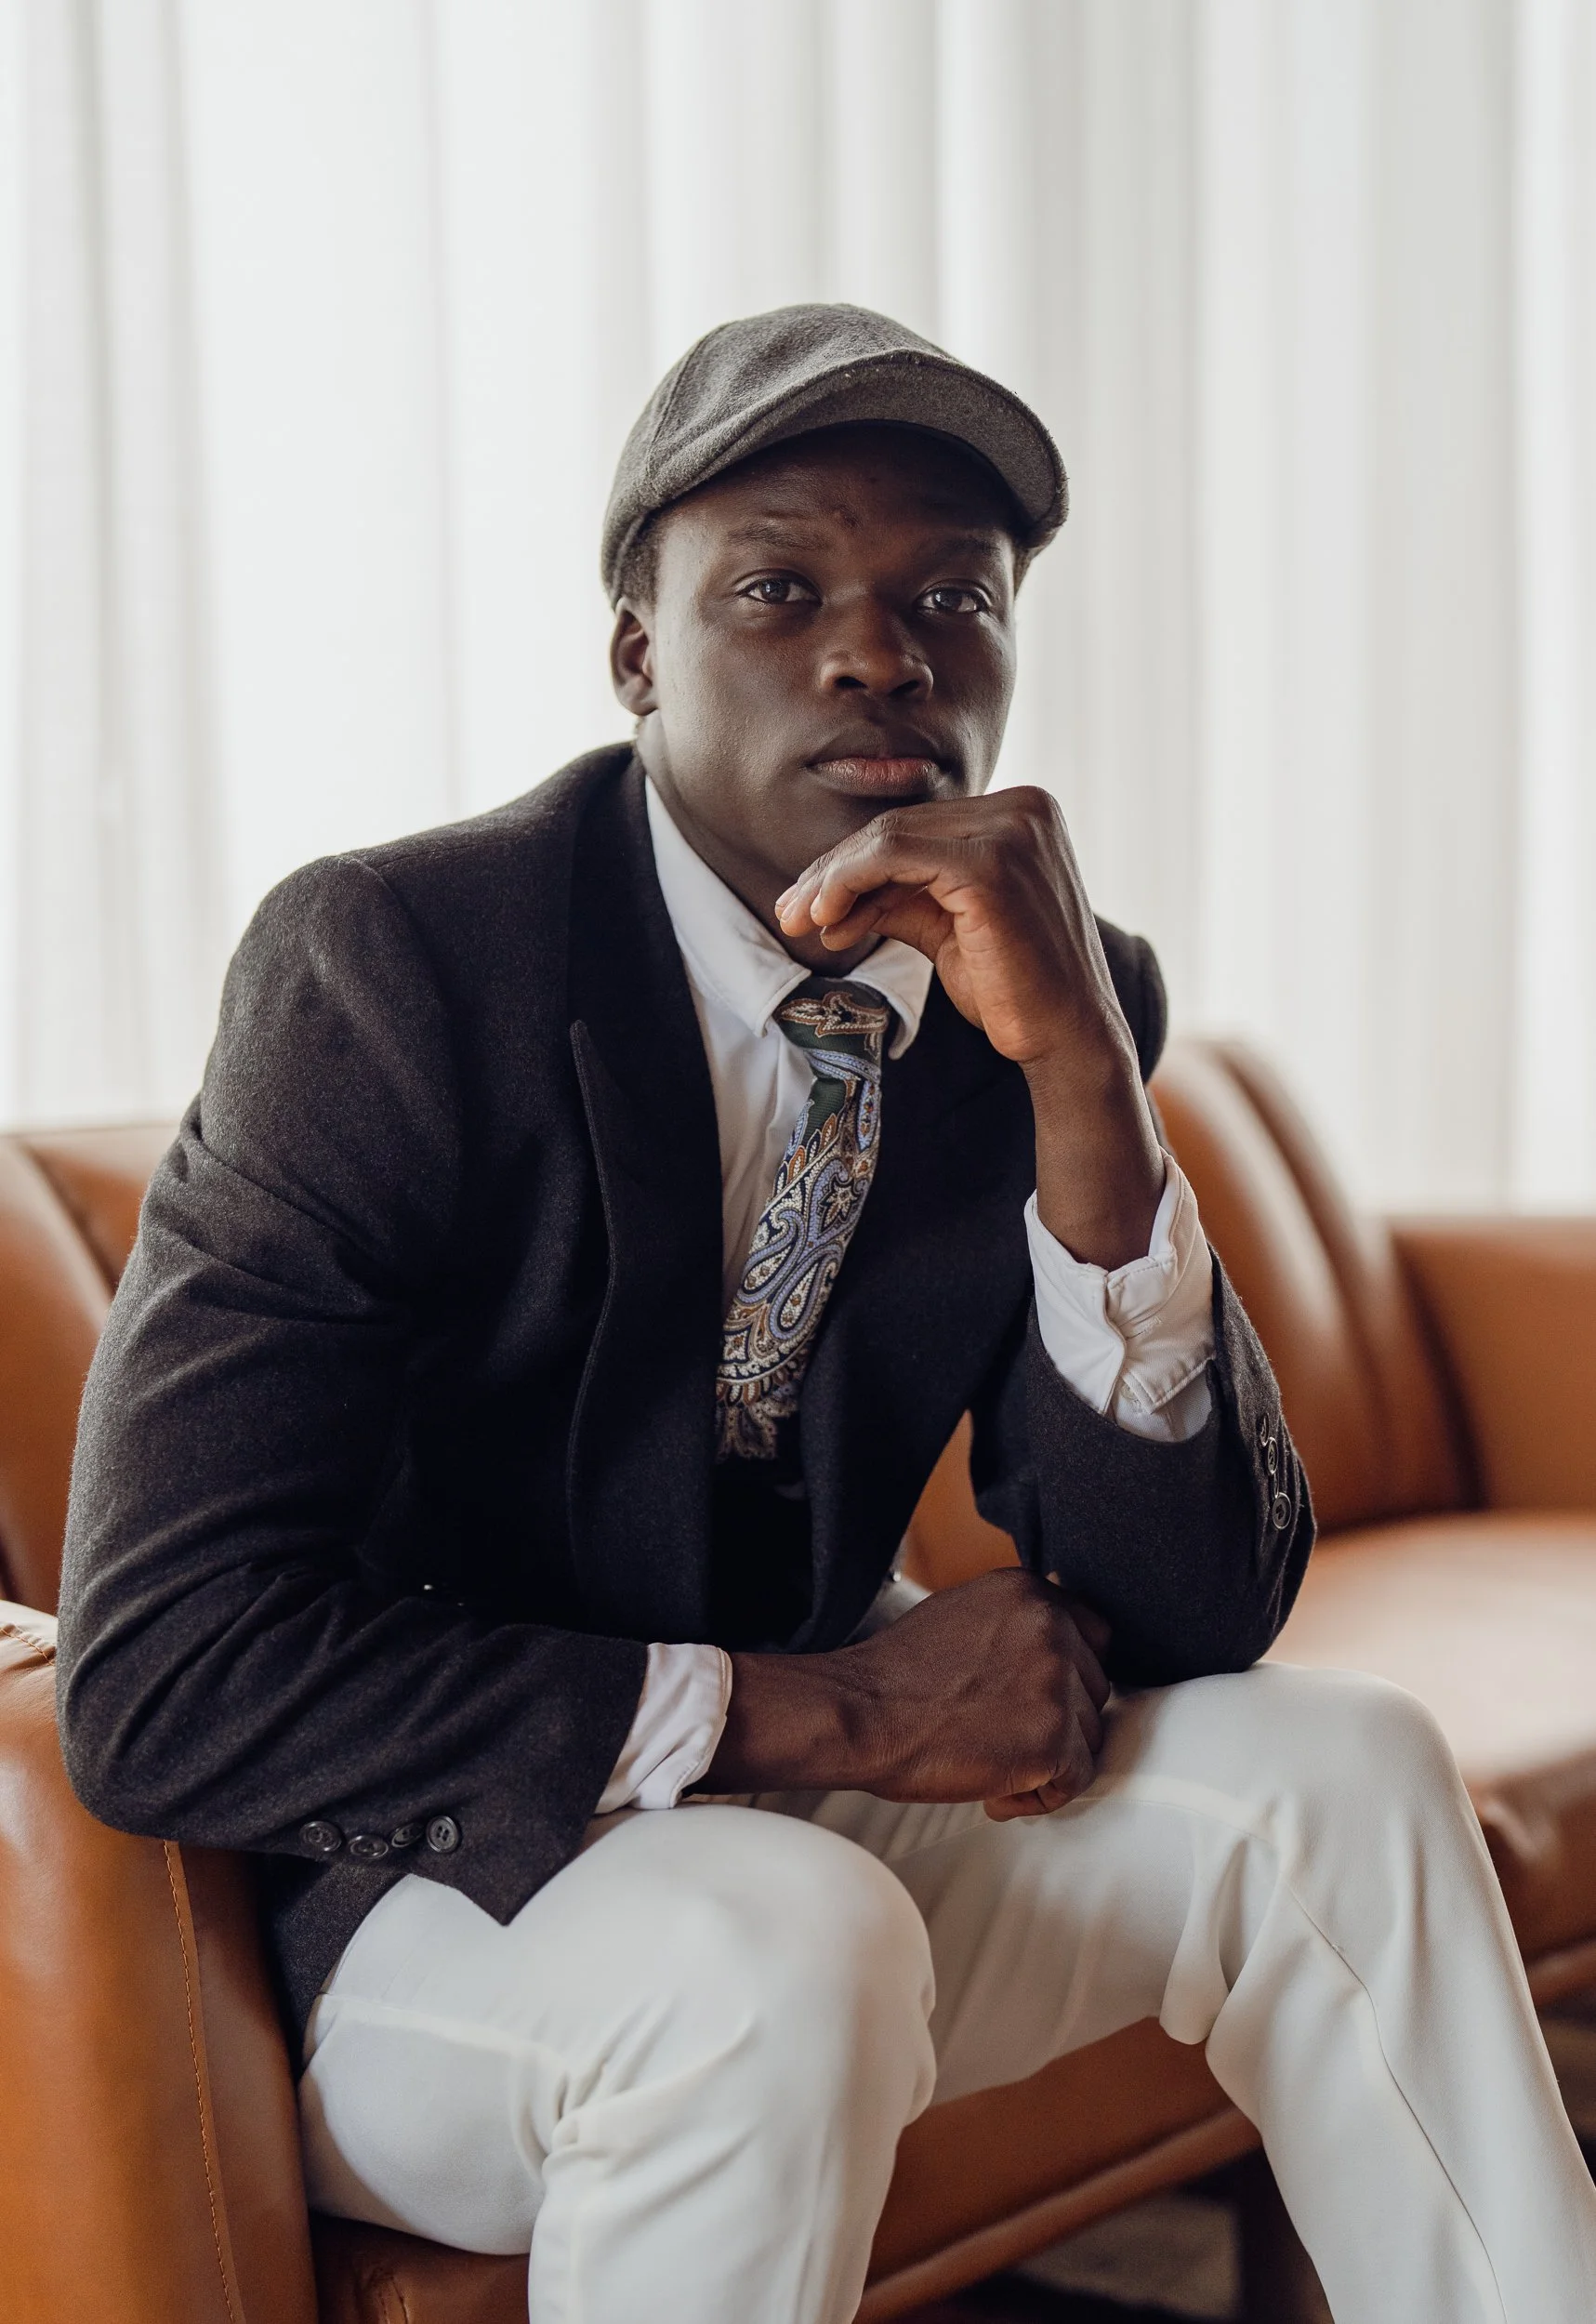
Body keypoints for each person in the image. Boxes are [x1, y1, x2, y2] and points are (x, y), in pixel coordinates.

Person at [57, 305, 1596, 2323]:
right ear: (636, 653)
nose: (884, 650)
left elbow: (1201, 1606)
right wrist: (836, 1707)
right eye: (781, 588)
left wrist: (1087, 1100)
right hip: (409, 1900)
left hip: (791, 1816)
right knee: (783, 1941)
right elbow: (161, 1668)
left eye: (950, 595)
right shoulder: (398, 966)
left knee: (1353, 1777)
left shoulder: (1048, 980)